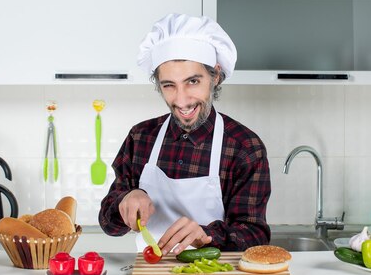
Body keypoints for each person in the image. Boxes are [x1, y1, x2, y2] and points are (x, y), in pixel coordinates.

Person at [98, 13, 271, 255]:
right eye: (169, 85)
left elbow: (255, 235)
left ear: (215, 76)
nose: (181, 100)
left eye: (192, 82)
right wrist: (125, 200)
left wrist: (208, 235)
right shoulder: (141, 137)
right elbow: (109, 225)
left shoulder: (245, 147)